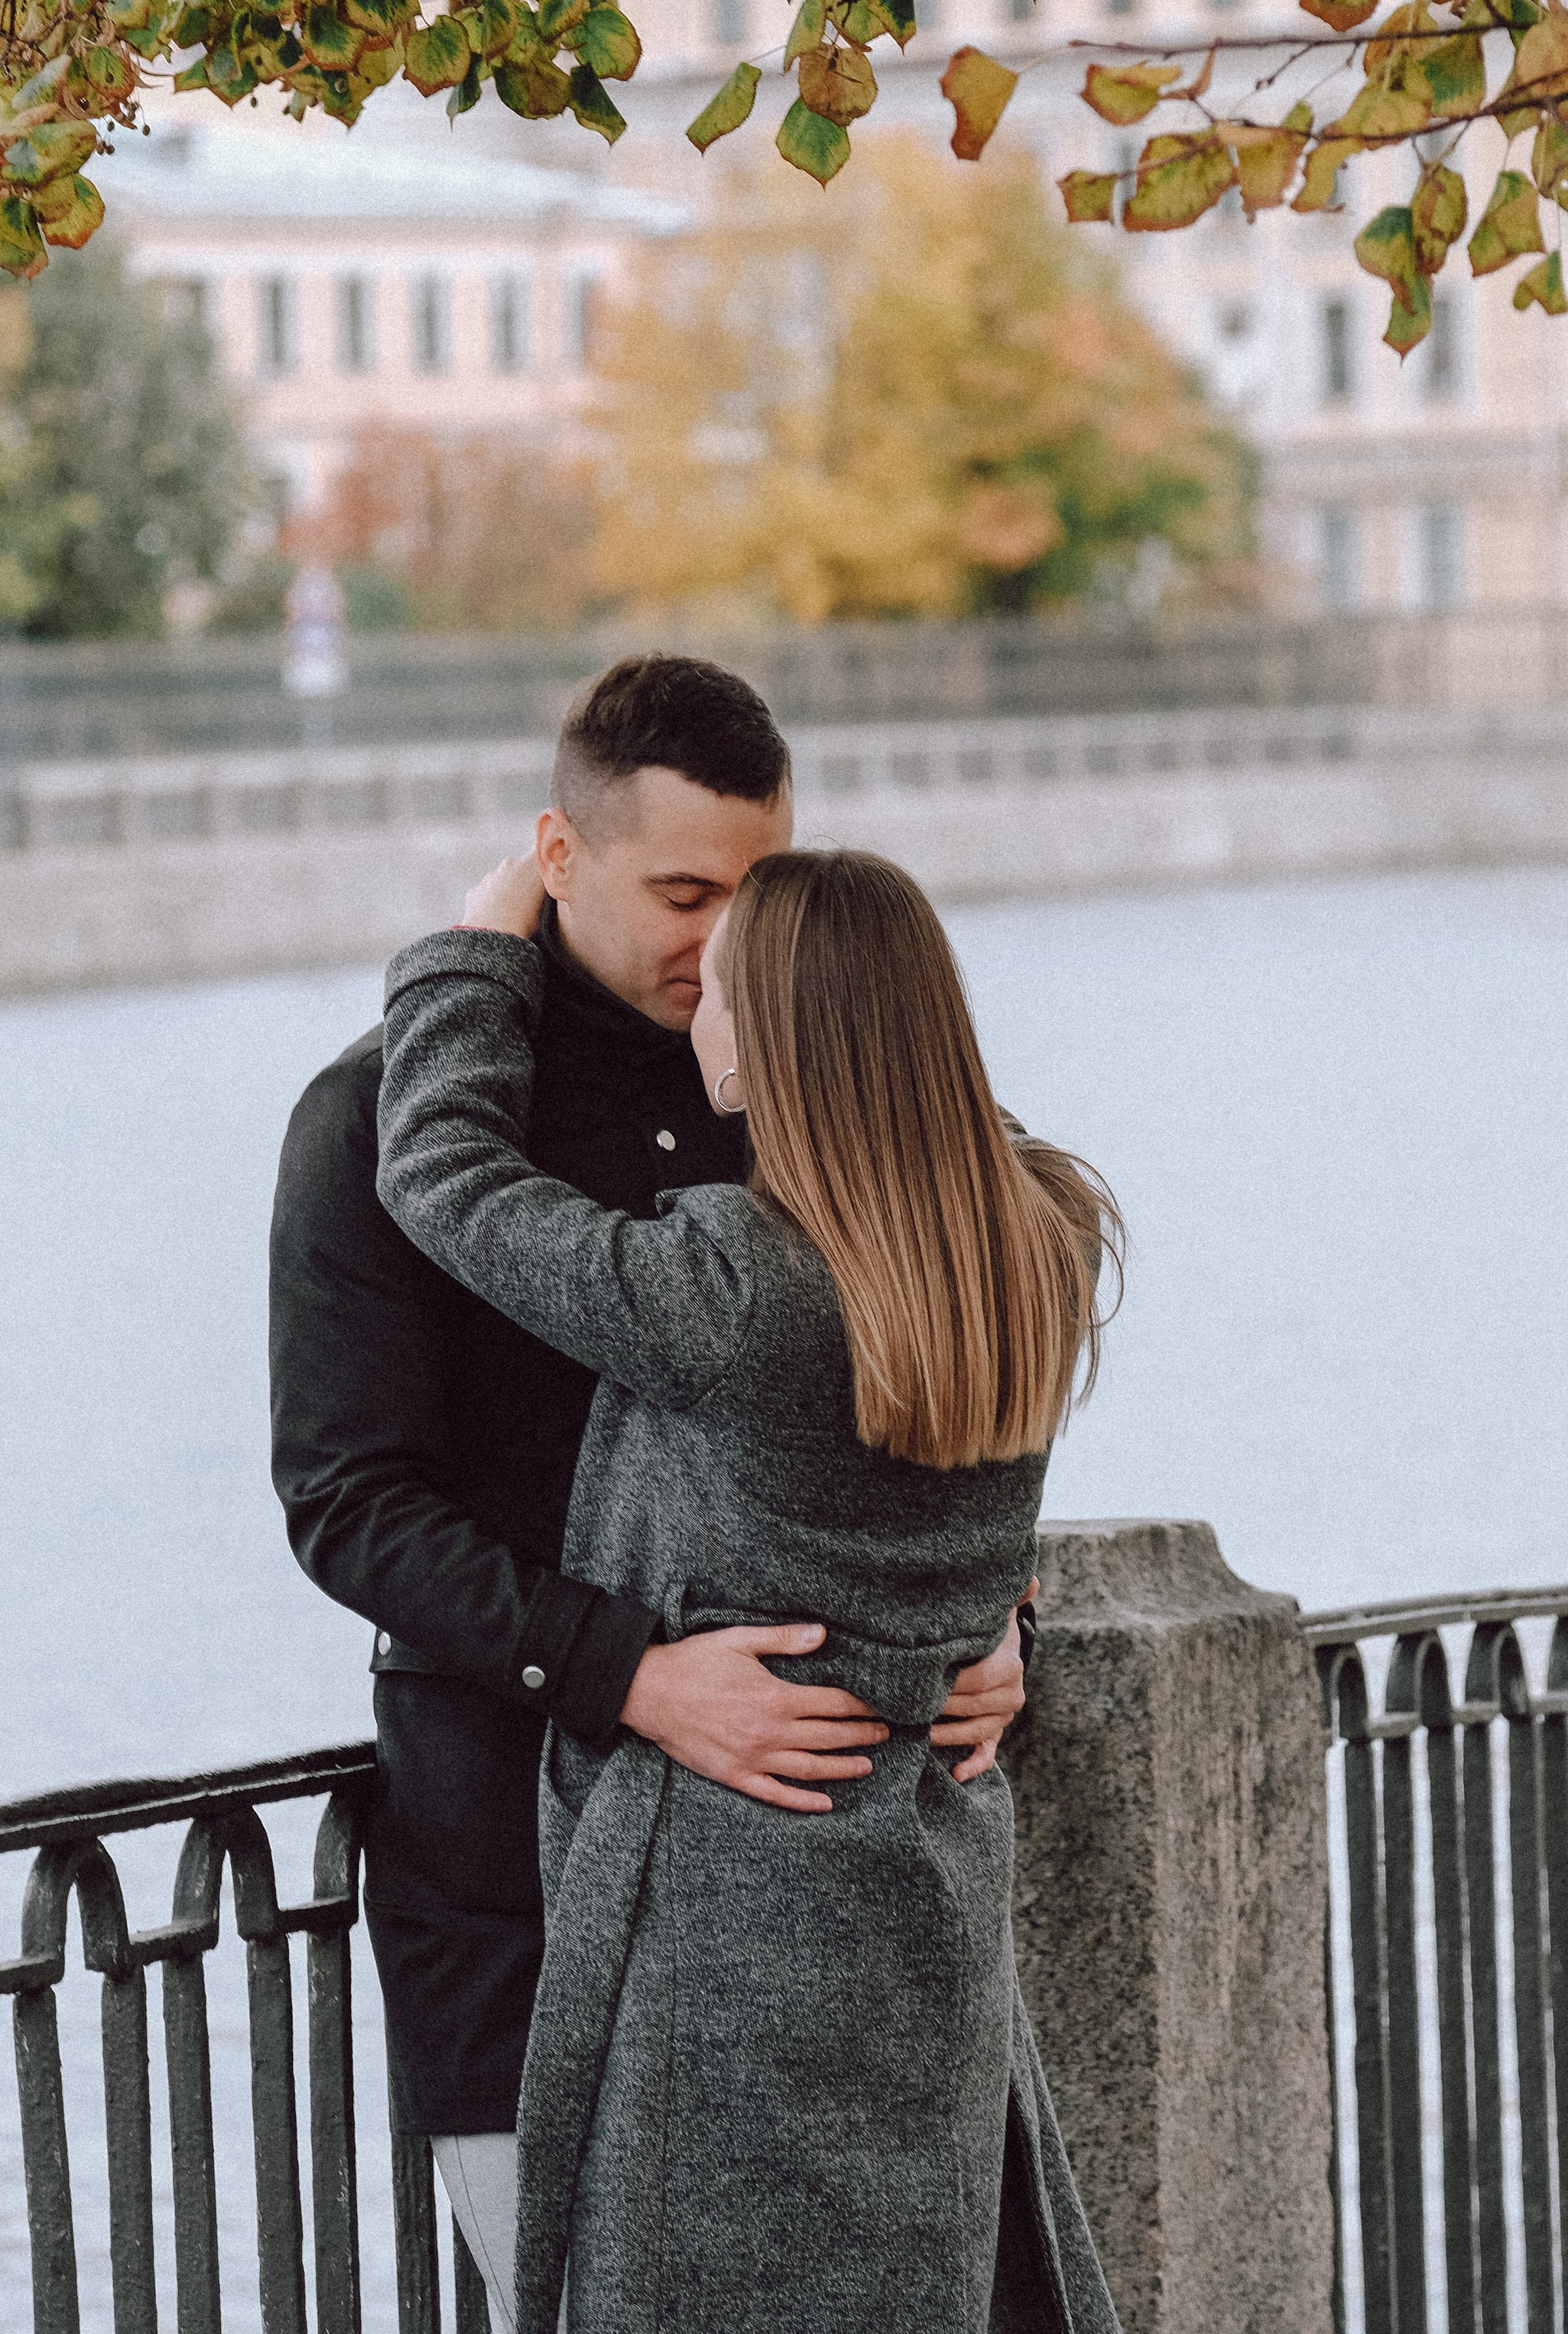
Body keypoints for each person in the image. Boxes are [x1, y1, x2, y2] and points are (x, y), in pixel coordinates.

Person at [268, 657, 1034, 2301]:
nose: (726, 943)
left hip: (851, 1911)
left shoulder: (819, 1092)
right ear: (560, 854)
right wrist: (630, 1678)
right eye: (684, 894)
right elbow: (348, 1504)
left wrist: (993, 1610)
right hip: (517, 1884)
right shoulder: (379, 1111)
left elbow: (953, 1370)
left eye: (757, 897)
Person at [375, 842, 1125, 2334]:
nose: (692, 1017)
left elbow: (442, 1177)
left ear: (782, 1031)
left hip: (729, 1921)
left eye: (721, 991)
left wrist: (475, 951)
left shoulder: (731, 1289)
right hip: (924, 1889)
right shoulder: (1030, 1240)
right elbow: (942, 1133)